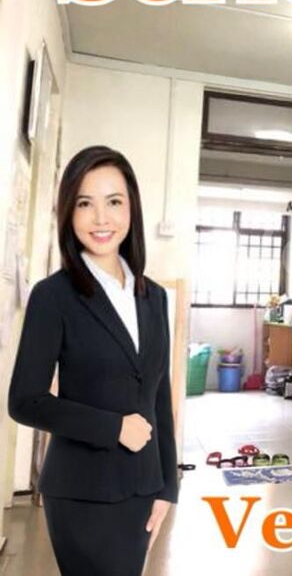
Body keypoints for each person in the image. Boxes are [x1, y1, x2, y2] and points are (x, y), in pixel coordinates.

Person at [7, 146, 178, 576]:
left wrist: (167, 486)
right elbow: (25, 401)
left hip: (143, 487)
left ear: (131, 208)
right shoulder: (53, 296)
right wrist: (113, 427)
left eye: (113, 202)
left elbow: (158, 393)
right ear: (69, 212)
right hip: (82, 490)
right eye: (85, 203)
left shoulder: (154, 297)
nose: (101, 218)